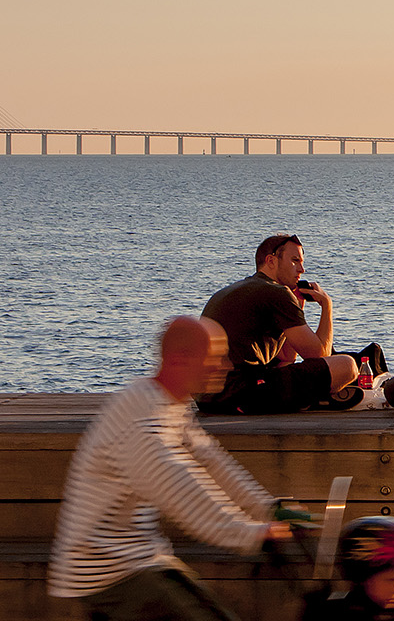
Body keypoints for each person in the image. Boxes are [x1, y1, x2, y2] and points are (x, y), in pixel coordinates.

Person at [48, 316, 305, 620]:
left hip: (140, 557)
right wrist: (254, 534)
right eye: (215, 357)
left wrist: (269, 508)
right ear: (180, 360)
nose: (226, 365)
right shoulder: (143, 424)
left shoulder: (167, 402)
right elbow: (186, 494)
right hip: (106, 571)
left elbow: (212, 461)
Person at [200, 235, 359, 414]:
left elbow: (285, 358)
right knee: (347, 365)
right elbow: (320, 355)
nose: (302, 269)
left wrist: (296, 310)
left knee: (284, 369)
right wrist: (327, 306)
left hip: (207, 398)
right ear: (271, 261)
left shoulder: (237, 289)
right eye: (294, 261)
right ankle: (318, 399)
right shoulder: (277, 292)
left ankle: (307, 399)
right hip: (241, 394)